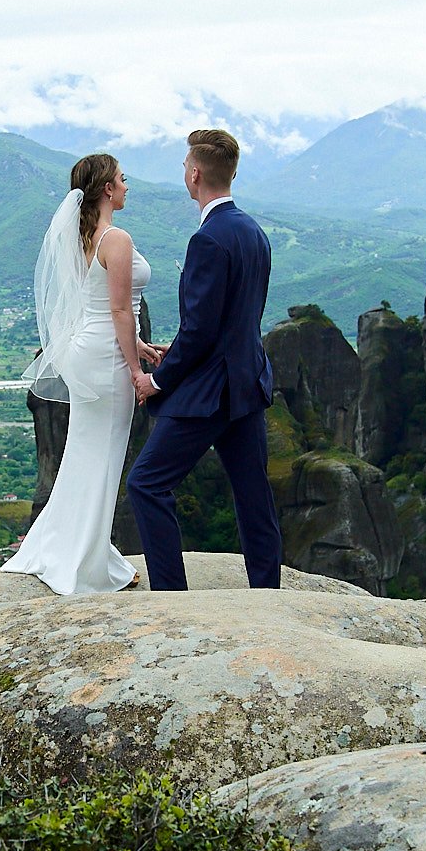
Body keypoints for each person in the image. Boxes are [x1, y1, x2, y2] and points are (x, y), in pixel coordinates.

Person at [126, 128, 282, 590]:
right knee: (254, 497)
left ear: (194, 174)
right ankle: (266, 593)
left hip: (210, 393)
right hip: (247, 383)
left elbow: (200, 330)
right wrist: (187, 345)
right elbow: (234, 320)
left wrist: (158, 381)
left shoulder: (208, 240)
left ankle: (173, 594)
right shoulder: (254, 231)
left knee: (147, 484)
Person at [3, 153, 159, 594]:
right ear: (107, 189)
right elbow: (119, 310)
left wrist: (140, 348)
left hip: (88, 349)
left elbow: (100, 308)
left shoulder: (84, 236)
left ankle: (78, 548)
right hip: (107, 357)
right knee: (105, 457)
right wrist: (134, 367)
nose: (127, 186)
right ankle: (89, 561)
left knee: (83, 453)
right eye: (122, 180)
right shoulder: (117, 239)